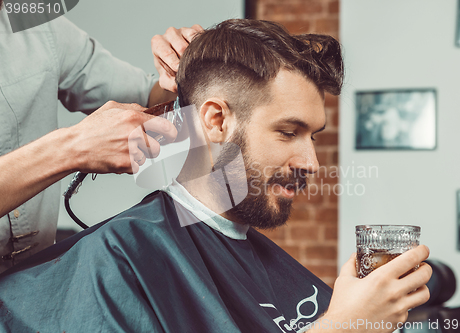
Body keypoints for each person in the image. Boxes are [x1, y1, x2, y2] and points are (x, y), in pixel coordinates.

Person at [0, 19, 432, 333]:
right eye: (288, 131)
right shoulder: (120, 261)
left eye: (313, 136)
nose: (312, 164)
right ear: (216, 120)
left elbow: (162, 95)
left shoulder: (40, 30)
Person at [0, 0, 202, 272]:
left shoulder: (36, 25)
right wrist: (71, 149)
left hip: (35, 282)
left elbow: (148, 98)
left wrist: (186, 69)